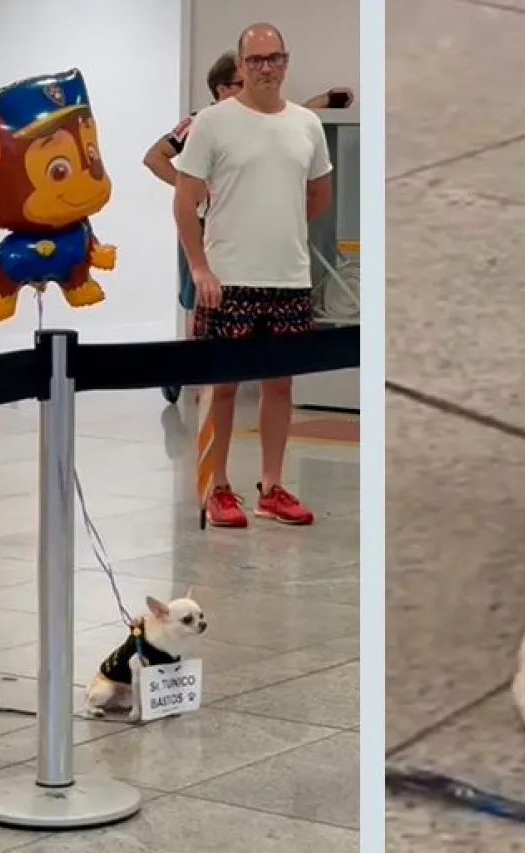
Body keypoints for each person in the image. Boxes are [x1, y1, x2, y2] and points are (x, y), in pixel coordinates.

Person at [173, 22, 333, 528]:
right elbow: (184, 201)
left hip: (287, 277)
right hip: (227, 279)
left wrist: (276, 228)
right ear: (240, 67)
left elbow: (319, 194)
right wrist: (200, 267)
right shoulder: (214, 123)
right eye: (256, 60)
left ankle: (272, 486)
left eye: (275, 58)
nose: (267, 68)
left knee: (280, 385)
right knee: (223, 386)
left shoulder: (307, 124)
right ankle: (218, 486)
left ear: (286, 62)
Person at [145, 52, 245, 405]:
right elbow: (154, 156)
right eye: (241, 83)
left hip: (237, 226)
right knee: (199, 300)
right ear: (222, 89)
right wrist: (189, 189)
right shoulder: (197, 122)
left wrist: (327, 100)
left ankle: (202, 373)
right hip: (200, 224)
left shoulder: (255, 121)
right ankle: (187, 372)